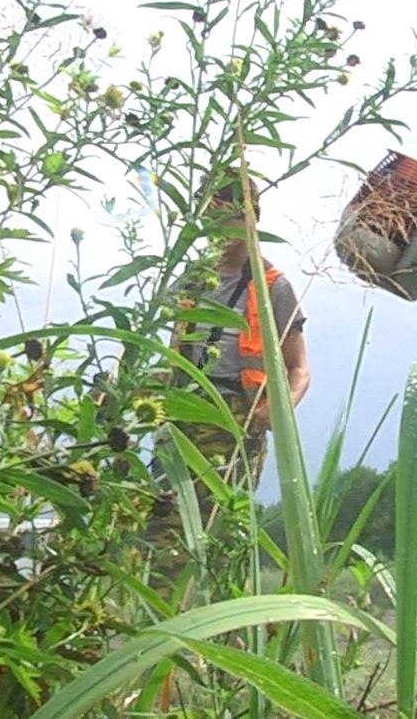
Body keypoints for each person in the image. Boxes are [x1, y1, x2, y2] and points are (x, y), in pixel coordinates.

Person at [149, 169, 310, 564]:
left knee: (218, 533)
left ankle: (222, 620)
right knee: (161, 528)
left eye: (235, 214)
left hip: (237, 420)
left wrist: (277, 409)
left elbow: (299, 370)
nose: (225, 227)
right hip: (181, 415)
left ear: (253, 216)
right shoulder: (190, 281)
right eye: (215, 215)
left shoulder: (274, 285)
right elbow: (165, 349)